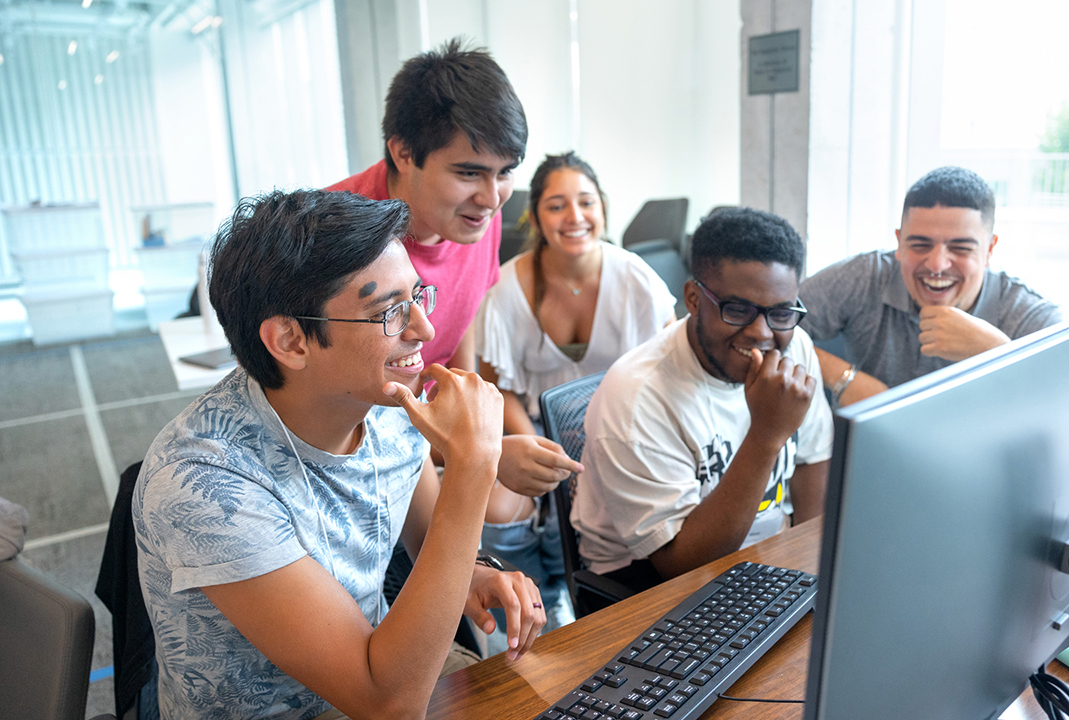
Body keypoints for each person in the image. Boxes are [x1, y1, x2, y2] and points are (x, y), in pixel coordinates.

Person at [133, 190, 545, 720]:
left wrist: (479, 573)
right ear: (290, 341)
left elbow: (429, 541)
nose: (425, 329)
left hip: (385, 671)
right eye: (390, 312)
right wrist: (474, 465)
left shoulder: (389, 403)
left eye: (419, 296)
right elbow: (387, 704)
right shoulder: (203, 484)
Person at [327, 38, 581, 500]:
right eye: (468, 173)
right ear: (403, 153)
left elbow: (462, 318)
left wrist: (477, 424)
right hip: (355, 450)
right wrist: (481, 453)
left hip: (427, 433)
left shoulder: (478, 216)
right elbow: (341, 413)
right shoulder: (337, 235)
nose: (491, 198)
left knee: (526, 503)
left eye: (504, 172)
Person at [571, 207, 833, 599]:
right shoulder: (638, 396)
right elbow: (684, 565)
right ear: (694, 298)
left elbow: (813, 461)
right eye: (739, 309)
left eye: (780, 313)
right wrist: (767, 433)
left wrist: (806, 575)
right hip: (644, 584)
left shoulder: (794, 347)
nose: (761, 333)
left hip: (762, 561)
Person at [474, 152, 676, 625]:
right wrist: (536, 445)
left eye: (586, 202)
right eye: (557, 205)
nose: (575, 217)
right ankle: (531, 607)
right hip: (537, 429)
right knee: (496, 507)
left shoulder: (638, 279)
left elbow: (670, 372)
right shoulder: (505, 288)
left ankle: (583, 594)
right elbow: (494, 386)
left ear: (603, 208)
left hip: (624, 431)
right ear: (536, 216)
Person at [799, 166, 1063, 406]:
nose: (937, 264)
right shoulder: (864, 277)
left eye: (960, 248)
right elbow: (765, 325)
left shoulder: (1027, 313)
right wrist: (845, 378)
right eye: (920, 245)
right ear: (899, 243)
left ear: (990, 250)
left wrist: (996, 352)